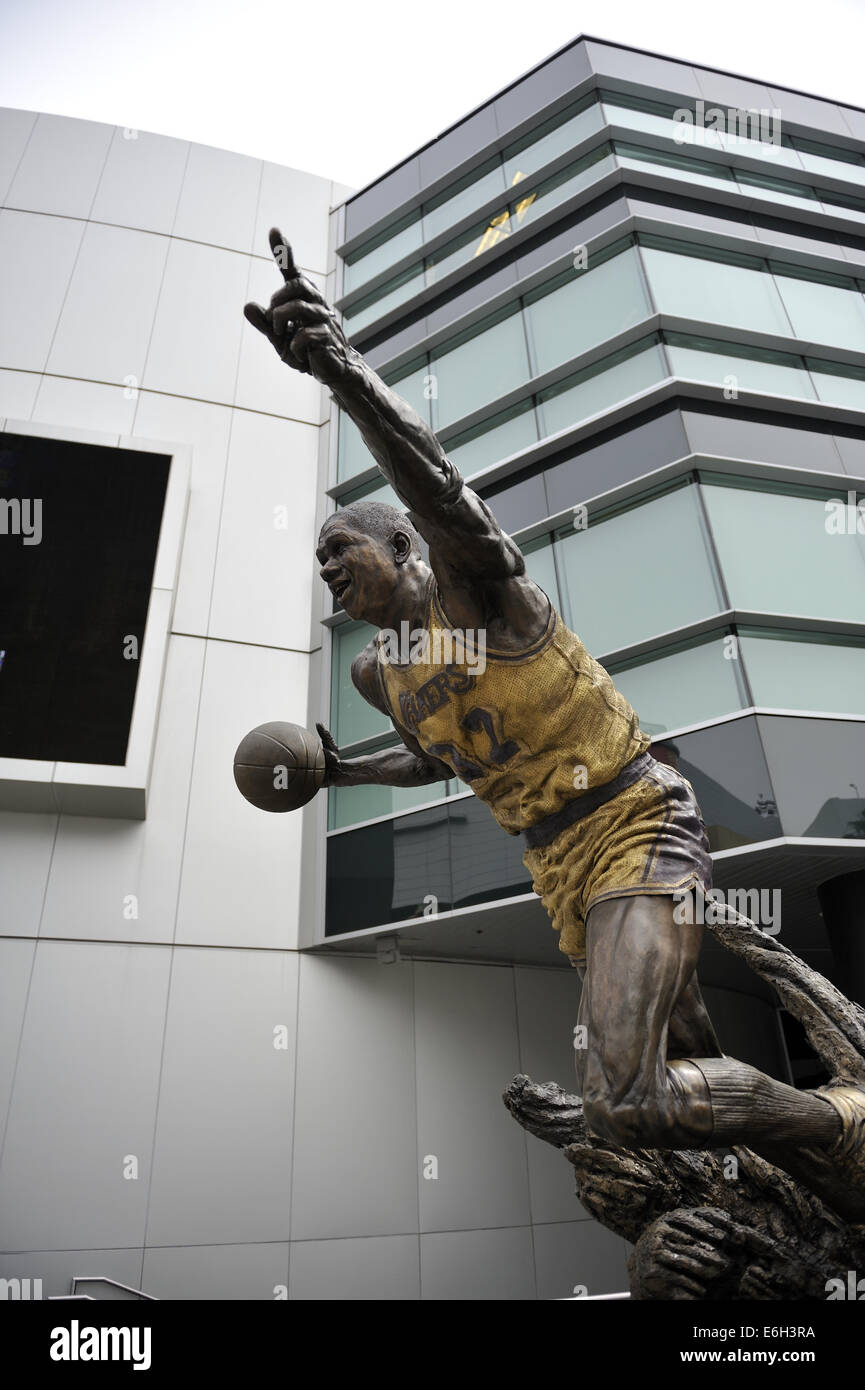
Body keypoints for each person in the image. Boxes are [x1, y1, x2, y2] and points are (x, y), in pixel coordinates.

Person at [245, 229, 865, 1220]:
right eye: (317, 560)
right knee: (683, 1061)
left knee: (623, 1095)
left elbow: (436, 483)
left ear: (402, 546)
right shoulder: (378, 673)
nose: (325, 567)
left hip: (633, 820)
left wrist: (343, 369)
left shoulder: (477, 591)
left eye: (339, 548)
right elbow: (431, 758)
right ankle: (805, 1191)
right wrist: (339, 770)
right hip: (558, 867)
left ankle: (839, 1120)